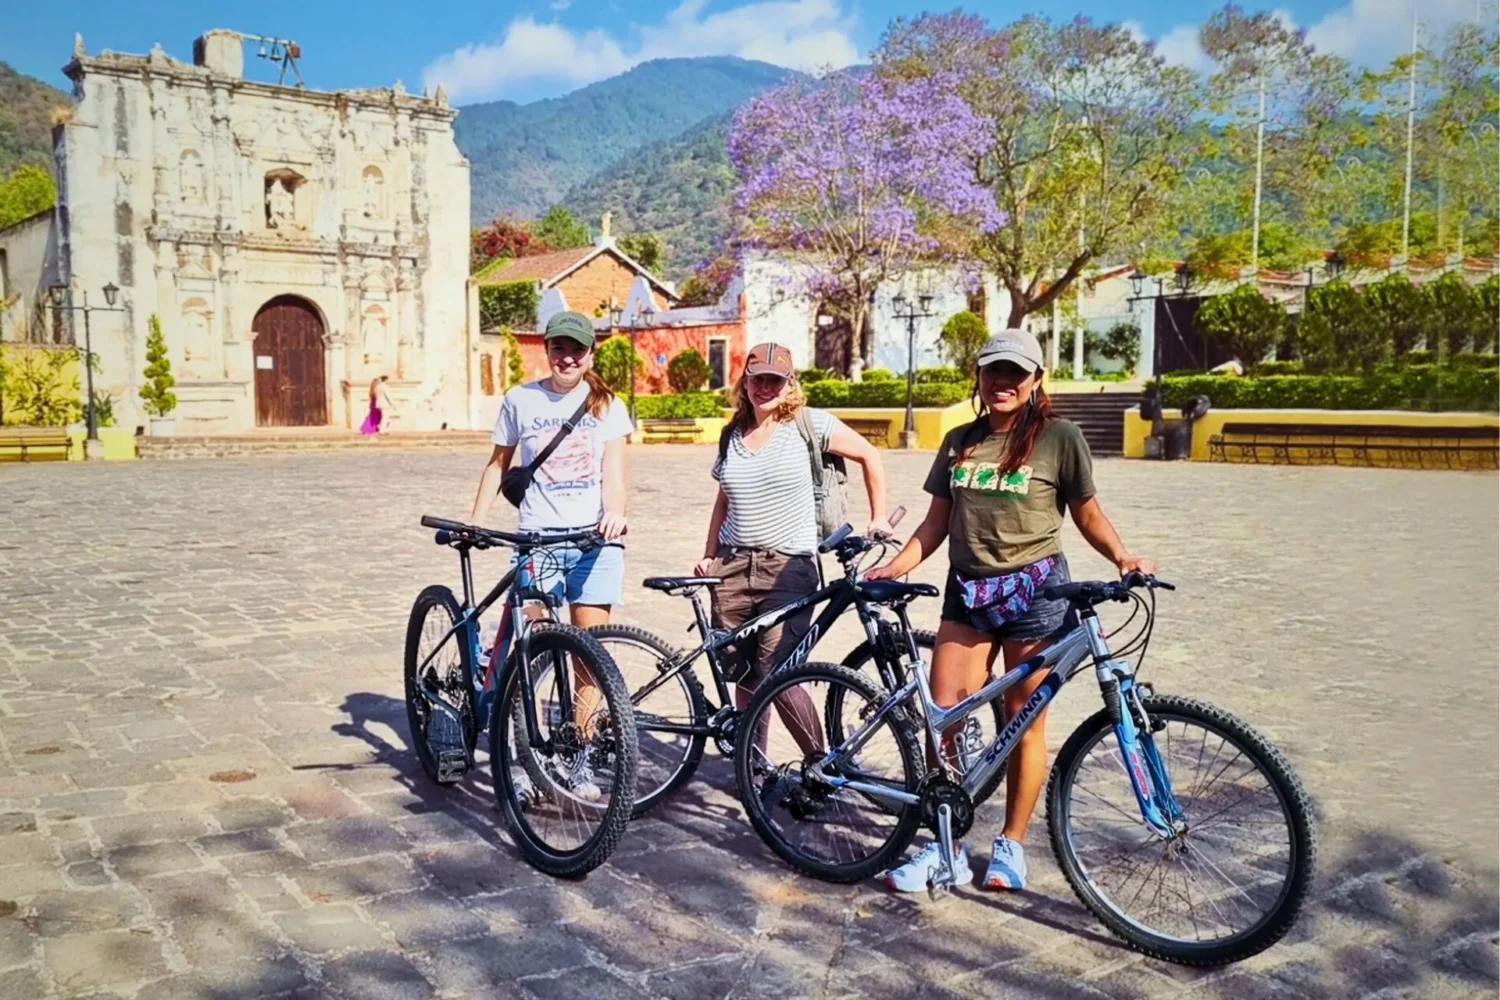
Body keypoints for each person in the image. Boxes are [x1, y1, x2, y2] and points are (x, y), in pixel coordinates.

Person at [865, 329, 1154, 892]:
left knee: (1025, 724)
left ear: (1036, 380)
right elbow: (935, 523)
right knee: (944, 717)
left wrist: (1123, 556)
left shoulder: (1059, 438)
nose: (1003, 382)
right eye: (993, 371)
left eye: (1016, 373)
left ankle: (1011, 844)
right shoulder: (960, 440)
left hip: (1037, 595)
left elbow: (1087, 513)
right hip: (967, 594)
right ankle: (944, 845)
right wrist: (896, 567)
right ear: (979, 376)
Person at [693, 342, 890, 748]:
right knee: (745, 674)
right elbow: (723, 500)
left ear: (789, 383)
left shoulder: (809, 424)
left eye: (775, 380)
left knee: (778, 671)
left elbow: (870, 455)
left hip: (788, 568)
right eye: (757, 379)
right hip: (732, 567)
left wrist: (879, 516)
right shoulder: (732, 434)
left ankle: (820, 763)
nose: (765, 387)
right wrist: (710, 554)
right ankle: (753, 765)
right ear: (745, 382)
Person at [470, 310, 631, 799]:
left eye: (577, 349)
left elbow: (614, 475)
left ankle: (576, 759)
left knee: (590, 656)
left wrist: (616, 513)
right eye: (559, 347)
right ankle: (526, 762)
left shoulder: (608, 406)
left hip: (594, 543)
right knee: (532, 653)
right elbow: (498, 465)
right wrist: (475, 521)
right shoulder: (521, 399)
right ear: (547, 349)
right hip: (538, 539)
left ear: (591, 354)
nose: (567, 358)